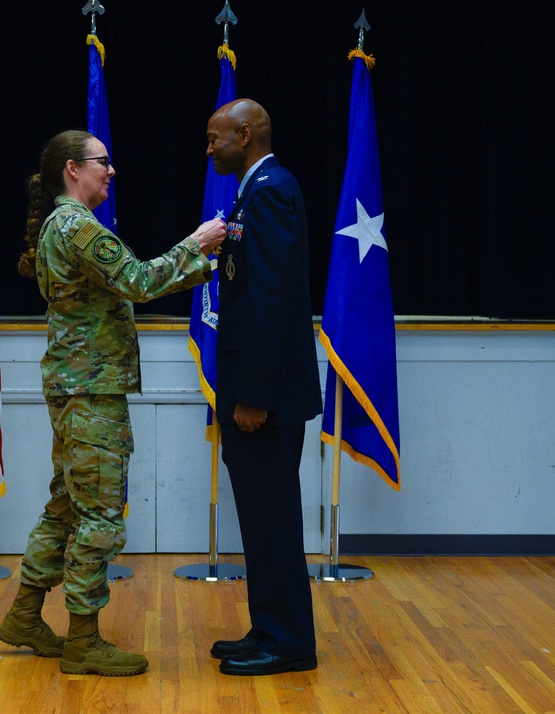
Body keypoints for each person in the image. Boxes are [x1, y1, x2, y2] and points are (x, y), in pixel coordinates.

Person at [0, 129, 226, 676]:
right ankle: (82, 639)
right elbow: (138, 281)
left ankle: (26, 615)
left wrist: (198, 262)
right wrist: (197, 246)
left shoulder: (64, 223)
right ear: (73, 169)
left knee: (65, 506)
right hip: (91, 390)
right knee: (99, 514)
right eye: (103, 162)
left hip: (78, 386)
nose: (112, 171)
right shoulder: (76, 225)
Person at [204, 99, 323, 675]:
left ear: (244, 135)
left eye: (215, 139)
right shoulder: (255, 189)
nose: (210, 149)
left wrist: (254, 394)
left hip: (265, 397)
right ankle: (269, 627)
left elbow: (273, 302)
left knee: (272, 516)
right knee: (258, 515)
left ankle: (291, 641)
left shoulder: (271, 189)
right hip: (257, 387)